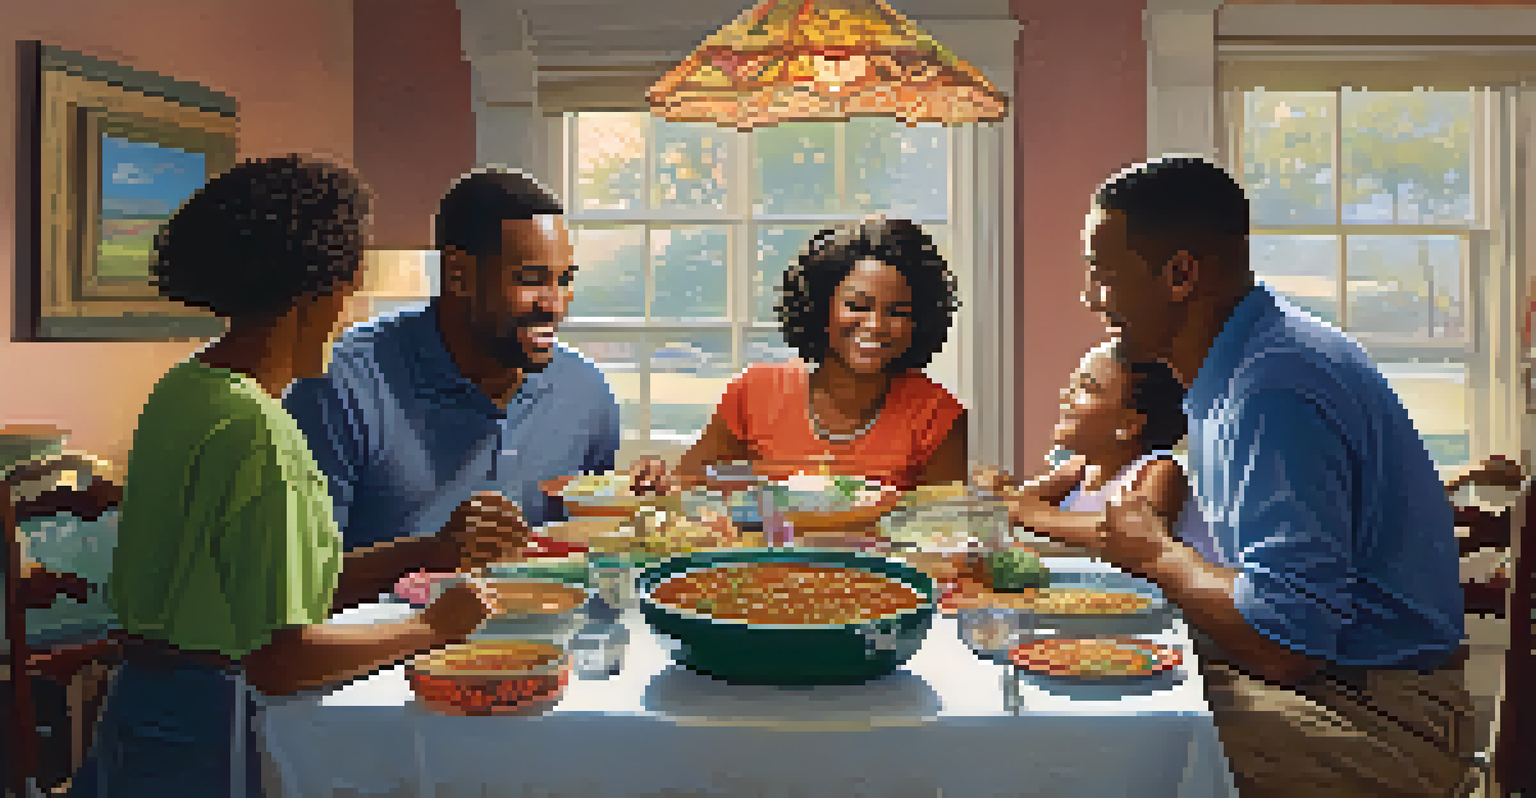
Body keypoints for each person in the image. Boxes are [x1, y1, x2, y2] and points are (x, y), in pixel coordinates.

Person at [991, 156, 1473, 797]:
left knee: (1080, 745)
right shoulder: (1241, 365)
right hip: (1337, 685)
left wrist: (1157, 555)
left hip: (1384, 716)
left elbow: (1286, 645)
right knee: (1058, 691)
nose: (1090, 297)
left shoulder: (1272, 387)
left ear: (1180, 274)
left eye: (1105, 275)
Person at [68, 156, 520, 798]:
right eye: (352, 286)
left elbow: (274, 591)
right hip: (212, 732)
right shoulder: (261, 434)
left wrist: (431, 550)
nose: (352, 309)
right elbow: (280, 659)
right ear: (322, 292)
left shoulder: (187, 389)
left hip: (140, 709)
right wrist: (434, 629)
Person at [285, 167, 622, 550]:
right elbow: (300, 585)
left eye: (564, 280)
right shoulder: (339, 388)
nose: (554, 305)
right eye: (530, 280)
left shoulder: (586, 393)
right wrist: (436, 552)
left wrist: (647, 506)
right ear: (458, 274)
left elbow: (594, 547)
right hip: (393, 613)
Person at [669, 217, 967, 491]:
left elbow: (940, 528)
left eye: (897, 312)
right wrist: (657, 480)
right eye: (857, 306)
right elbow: (685, 493)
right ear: (820, 308)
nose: (876, 325)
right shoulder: (753, 393)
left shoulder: (937, 415)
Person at [1049, 339, 1206, 551]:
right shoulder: (1078, 471)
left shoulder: (1160, 471)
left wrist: (1024, 510)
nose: (1065, 396)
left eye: (1086, 387)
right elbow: (1011, 503)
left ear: (1128, 424)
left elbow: (1131, 536)